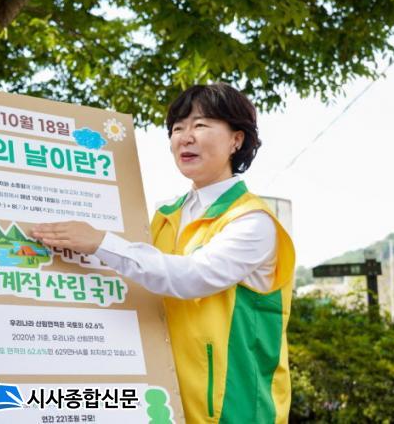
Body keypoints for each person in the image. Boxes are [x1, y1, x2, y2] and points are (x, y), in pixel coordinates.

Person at [32, 83, 296, 423]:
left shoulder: (252, 221)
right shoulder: (165, 216)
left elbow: (192, 277)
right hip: (163, 405)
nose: (185, 137)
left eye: (200, 125)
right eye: (177, 128)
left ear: (237, 139)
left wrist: (99, 242)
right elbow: (135, 276)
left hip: (235, 407)